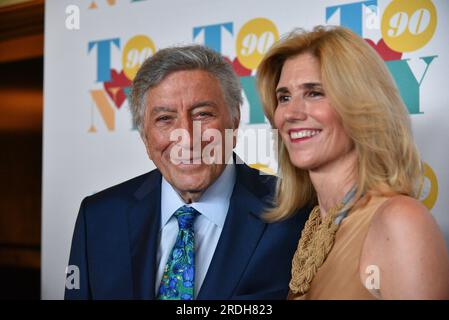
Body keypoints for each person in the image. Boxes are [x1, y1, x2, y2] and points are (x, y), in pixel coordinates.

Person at [65, 44, 309, 300]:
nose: (188, 139)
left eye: (203, 114)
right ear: (145, 137)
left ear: (234, 123)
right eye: (165, 119)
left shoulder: (293, 211)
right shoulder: (98, 217)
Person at [256, 26, 449, 299]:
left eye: (314, 93)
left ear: (360, 103)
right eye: (284, 97)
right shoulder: (309, 227)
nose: (291, 113)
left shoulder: (400, 221)